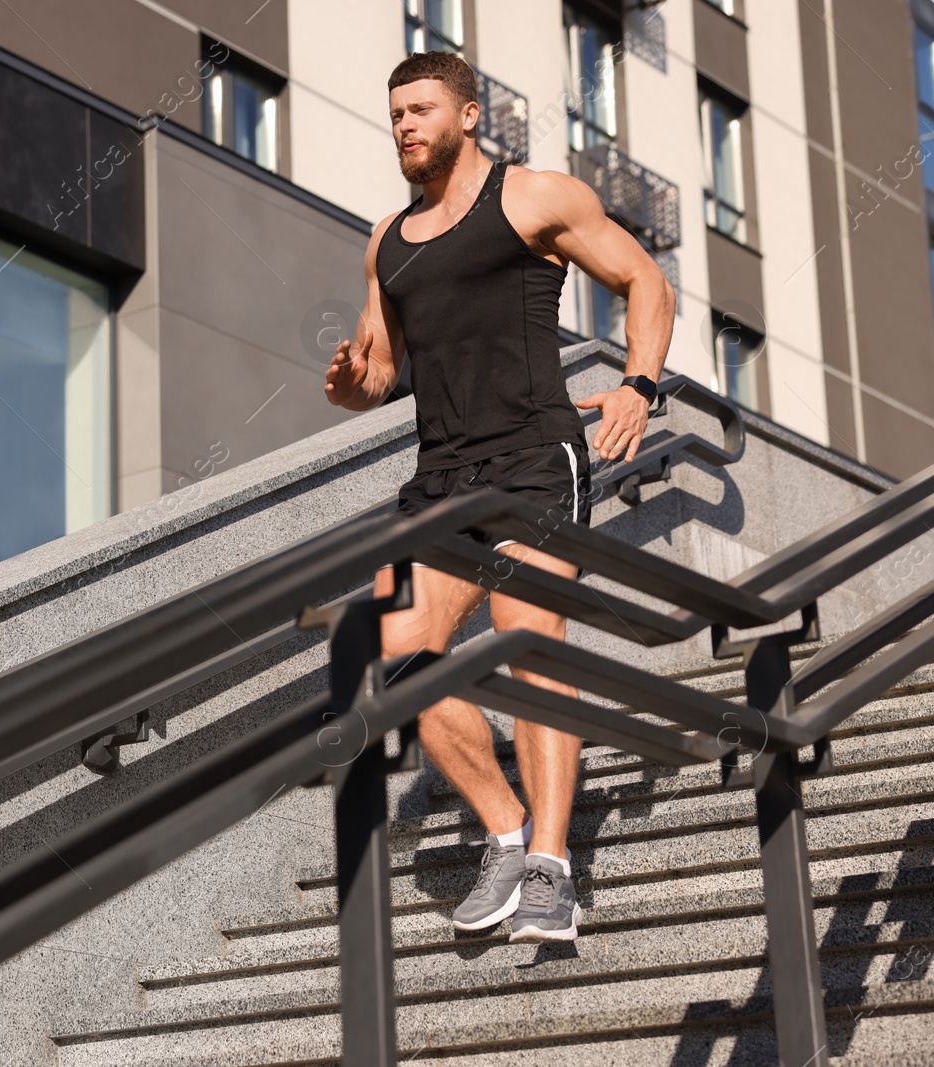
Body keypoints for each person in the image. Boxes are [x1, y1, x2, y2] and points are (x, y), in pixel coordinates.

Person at [323, 51, 674, 943]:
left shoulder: (533, 198)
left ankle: (554, 867)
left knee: (530, 647)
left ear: (469, 115)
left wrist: (638, 385)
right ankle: (507, 831)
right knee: (394, 656)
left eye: (422, 108)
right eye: (395, 111)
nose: (404, 124)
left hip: (531, 456)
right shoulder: (386, 241)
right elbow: (380, 371)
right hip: (439, 476)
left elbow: (645, 280)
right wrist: (350, 387)